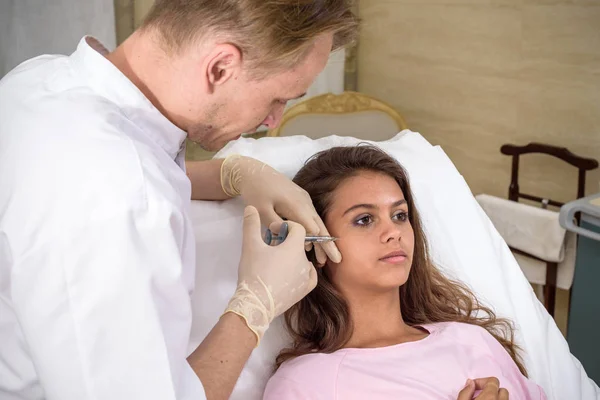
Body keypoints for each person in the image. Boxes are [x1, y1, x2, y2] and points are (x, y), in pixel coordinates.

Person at [0, 1, 358, 399]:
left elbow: (90, 170)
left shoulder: (40, 80)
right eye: (279, 98)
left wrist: (233, 174)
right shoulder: (120, 198)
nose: (274, 120)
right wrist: (253, 307)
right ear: (220, 67)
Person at [263, 145, 547, 400]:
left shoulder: (472, 341)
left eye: (400, 216)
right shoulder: (308, 383)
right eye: (364, 219)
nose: (393, 233)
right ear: (316, 244)